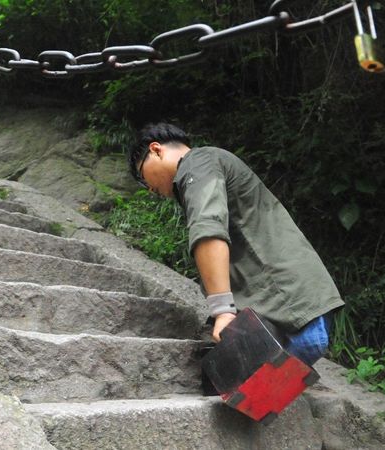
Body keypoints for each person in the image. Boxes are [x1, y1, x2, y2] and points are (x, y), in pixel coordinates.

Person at [128, 123, 344, 365]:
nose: (148, 188)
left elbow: (208, 229)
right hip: (290, 284)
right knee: (289, 353)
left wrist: (222, 310)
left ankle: (256, 397)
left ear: (156, 150)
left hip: (285, 287)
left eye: (142, 175)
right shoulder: (208, 163)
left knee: (305, 343)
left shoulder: (197, 162)